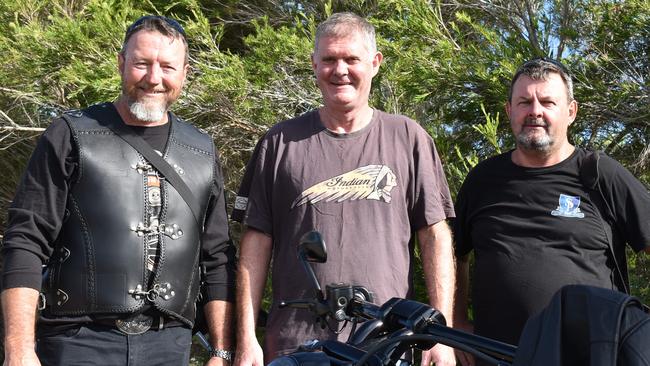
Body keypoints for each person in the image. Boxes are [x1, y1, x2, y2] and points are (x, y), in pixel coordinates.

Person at [1, 15, 235, 366]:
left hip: (169, 347)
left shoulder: (202, 150)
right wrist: (19, 348)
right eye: (142, 63)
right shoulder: (71, 133)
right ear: (122, 64)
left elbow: (217, 258)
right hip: (77, 342)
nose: (154, 78)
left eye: (167, 67)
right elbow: (25, 240)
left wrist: (221, 351)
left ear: (185, 74)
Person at [232, 12, 456, 366]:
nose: (340, 70)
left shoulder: (408, 138)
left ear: (375, 63)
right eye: (329, 59)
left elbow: (435, 235)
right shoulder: (279, 142)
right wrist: (246, 340)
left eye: (351, 59)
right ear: (314, 64)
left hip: (387, 344)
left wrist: (439, 335)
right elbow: (256, 242)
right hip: (296, 345)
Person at [453, 58, 650, 365]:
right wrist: (457, 321)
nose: (535, 112)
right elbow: (455, 254)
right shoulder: (482, 180)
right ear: (509, 111)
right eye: (524, 102)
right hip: (495, 356)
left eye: (547, 102)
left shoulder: (600, 175)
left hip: (585, 356)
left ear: (571, 111)